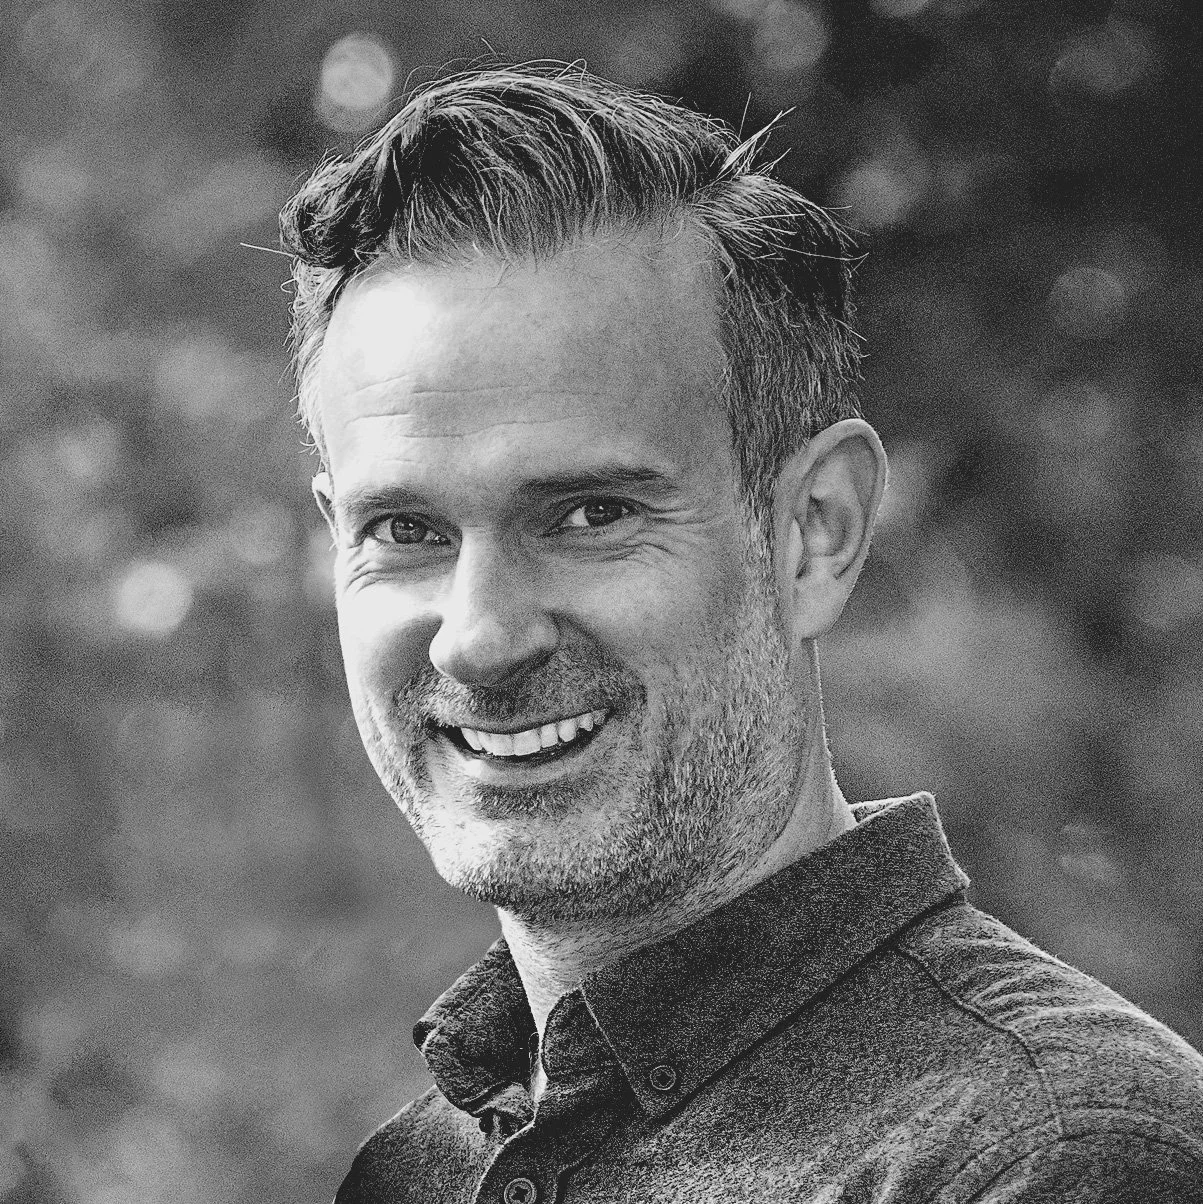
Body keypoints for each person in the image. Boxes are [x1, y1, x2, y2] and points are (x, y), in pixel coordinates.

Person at [279, 64, 1203, 1204]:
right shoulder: (414, 1170)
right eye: (406, 529)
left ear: (814, 533)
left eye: (590, 514)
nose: (479, 637)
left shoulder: (1055, 1156)